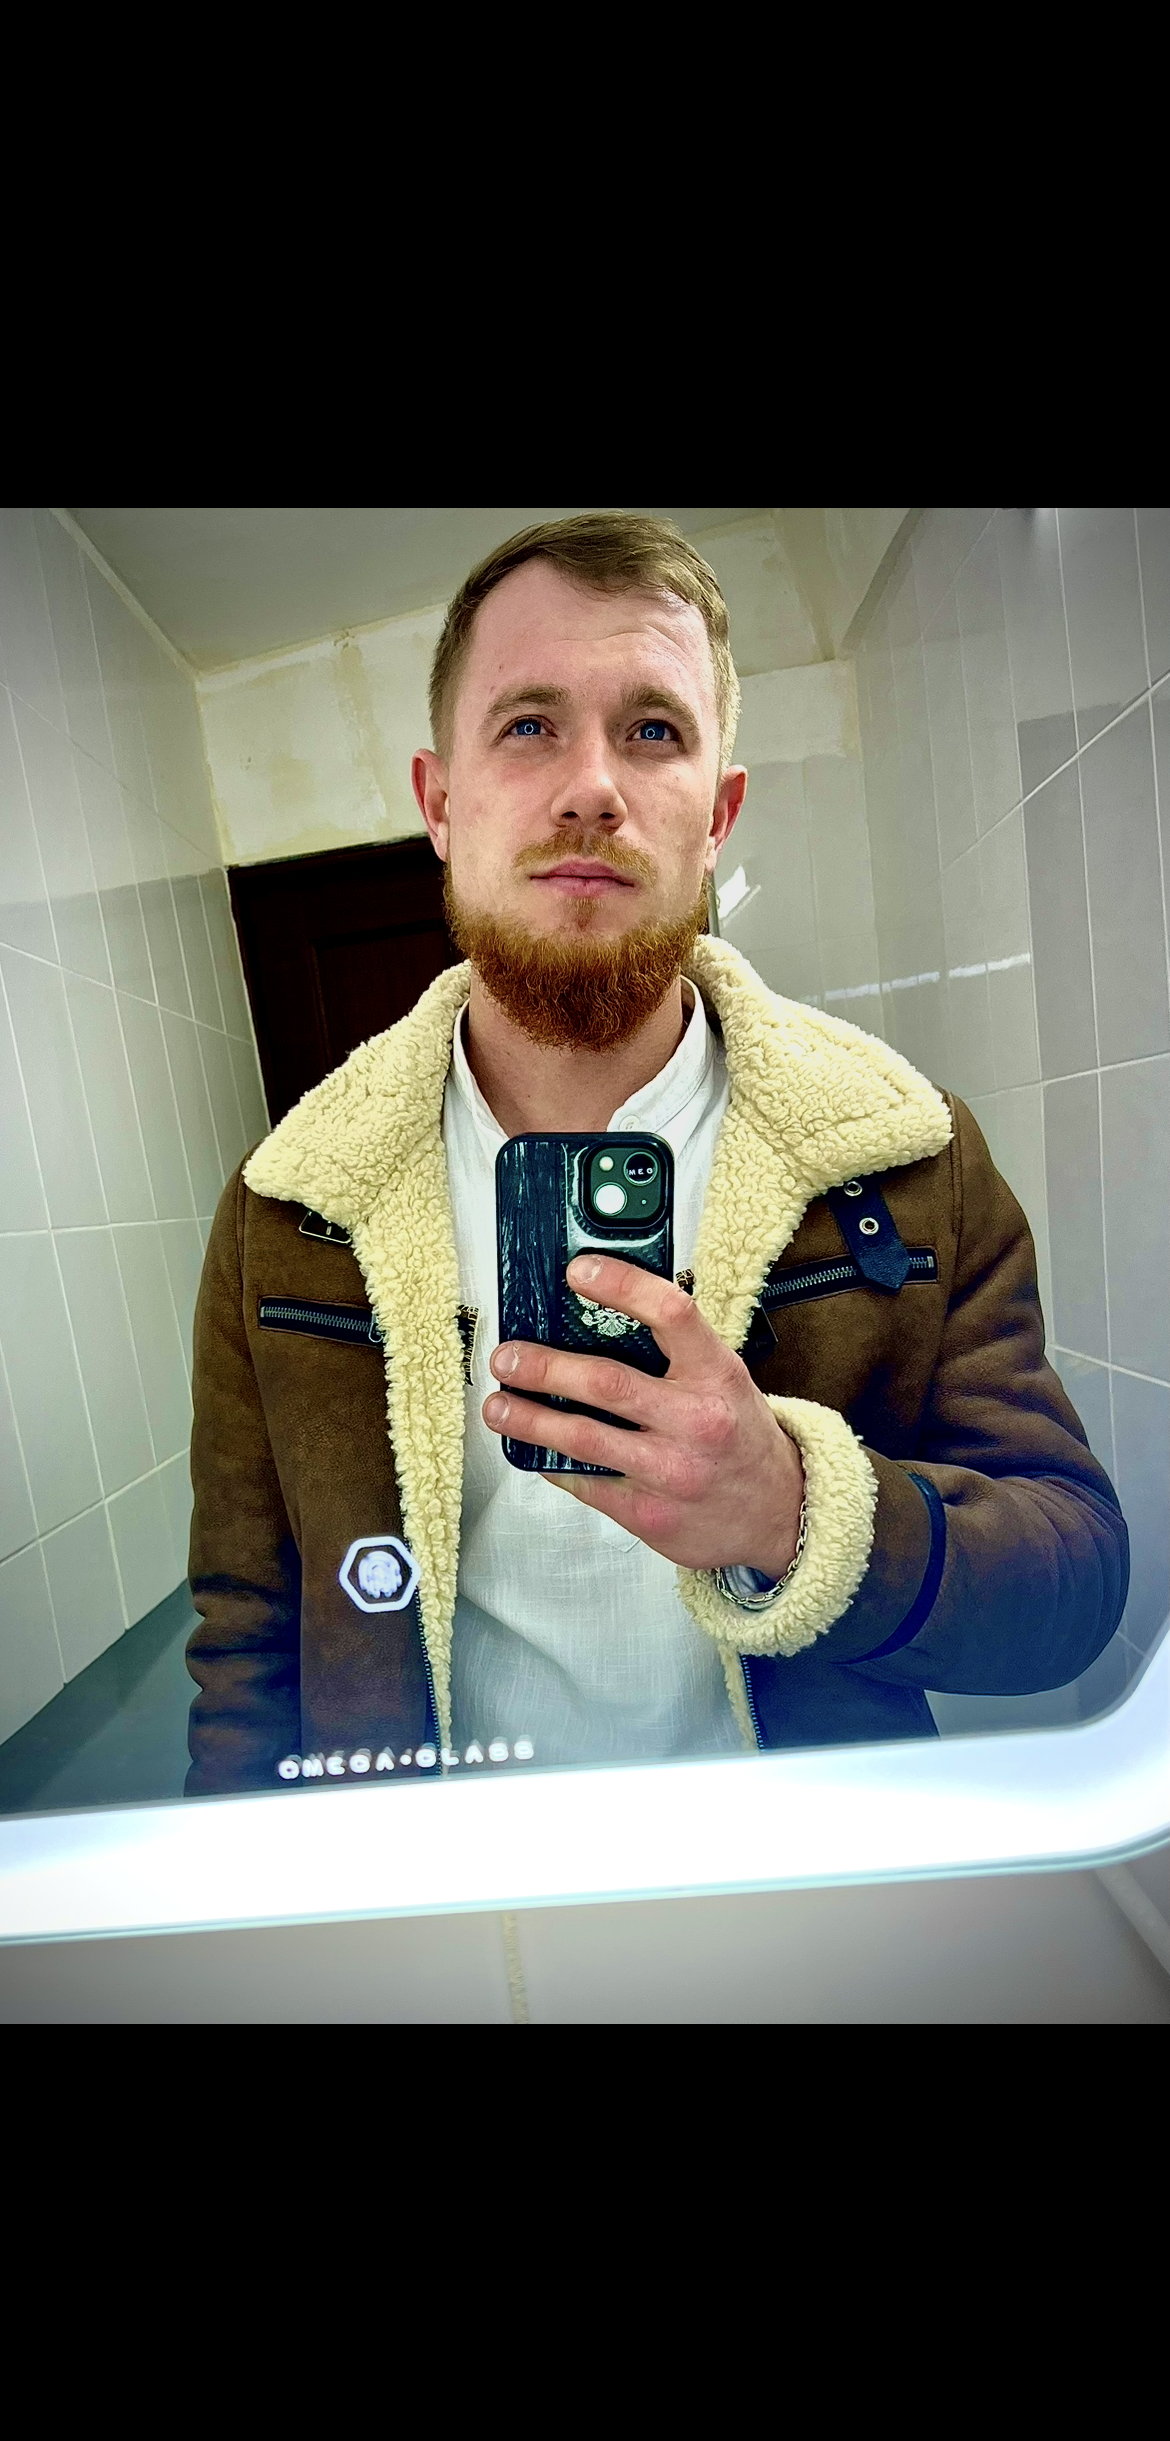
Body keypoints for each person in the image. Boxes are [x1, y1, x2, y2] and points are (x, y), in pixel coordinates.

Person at [184, 513, 1128, 1792]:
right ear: (441, 804)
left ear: (718, 812)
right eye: (529, 725)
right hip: (439, 1891)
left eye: (652, 730)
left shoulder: (907, 1161)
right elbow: (246, 1643)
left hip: (808, 1875)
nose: (592, 787)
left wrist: (794, 1513)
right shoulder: (291, 1208)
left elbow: (1074, 1582)